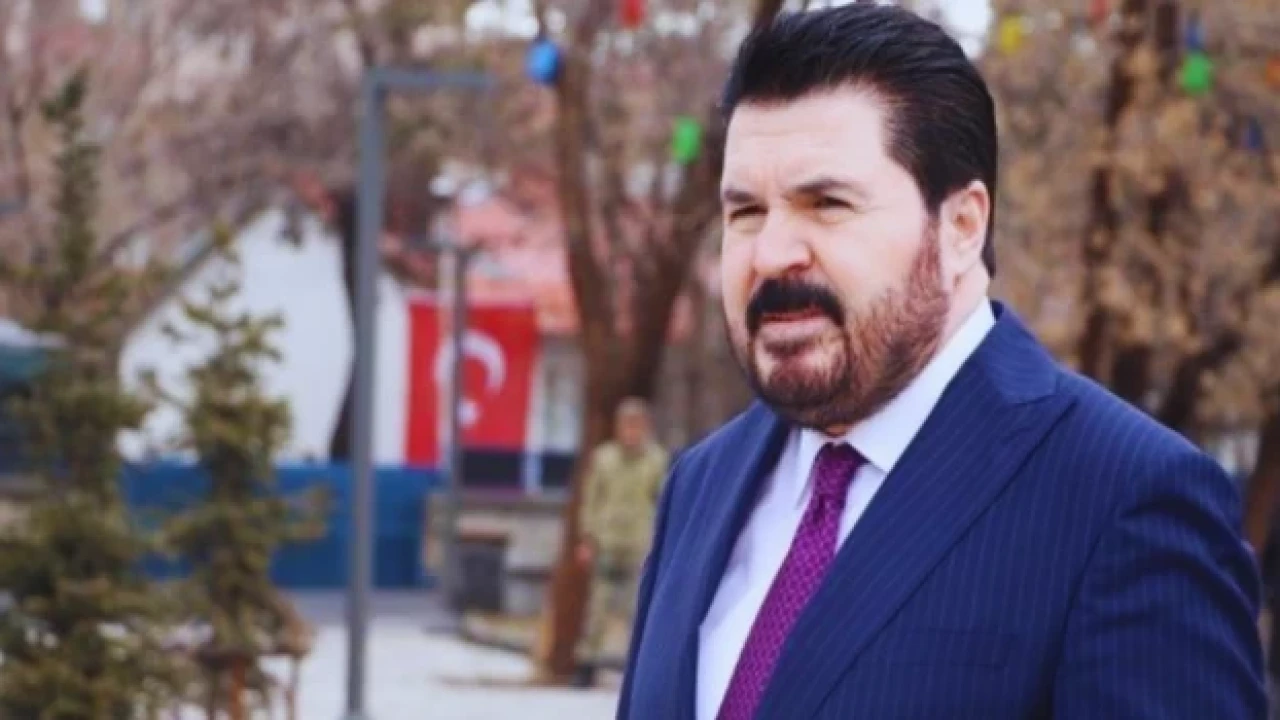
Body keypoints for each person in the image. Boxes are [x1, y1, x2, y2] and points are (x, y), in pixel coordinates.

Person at [618, 5, 1265, 719]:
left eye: (826, 203)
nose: (771, 254)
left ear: (961, 226)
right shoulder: (700, 485)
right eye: (745, 212)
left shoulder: (1125, 498)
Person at [574, 397, 669, 688]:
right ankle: (586, 664)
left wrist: (661, 542)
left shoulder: (656, 461)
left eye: (637, 426)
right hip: (606, 542)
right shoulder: (604, 459)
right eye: (627, 425)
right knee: (597, 609)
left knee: (636, 610)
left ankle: (637, 668)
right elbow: (591, 500)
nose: (631, 432)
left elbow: (663, 502)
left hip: (639, 544)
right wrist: (587, 538)